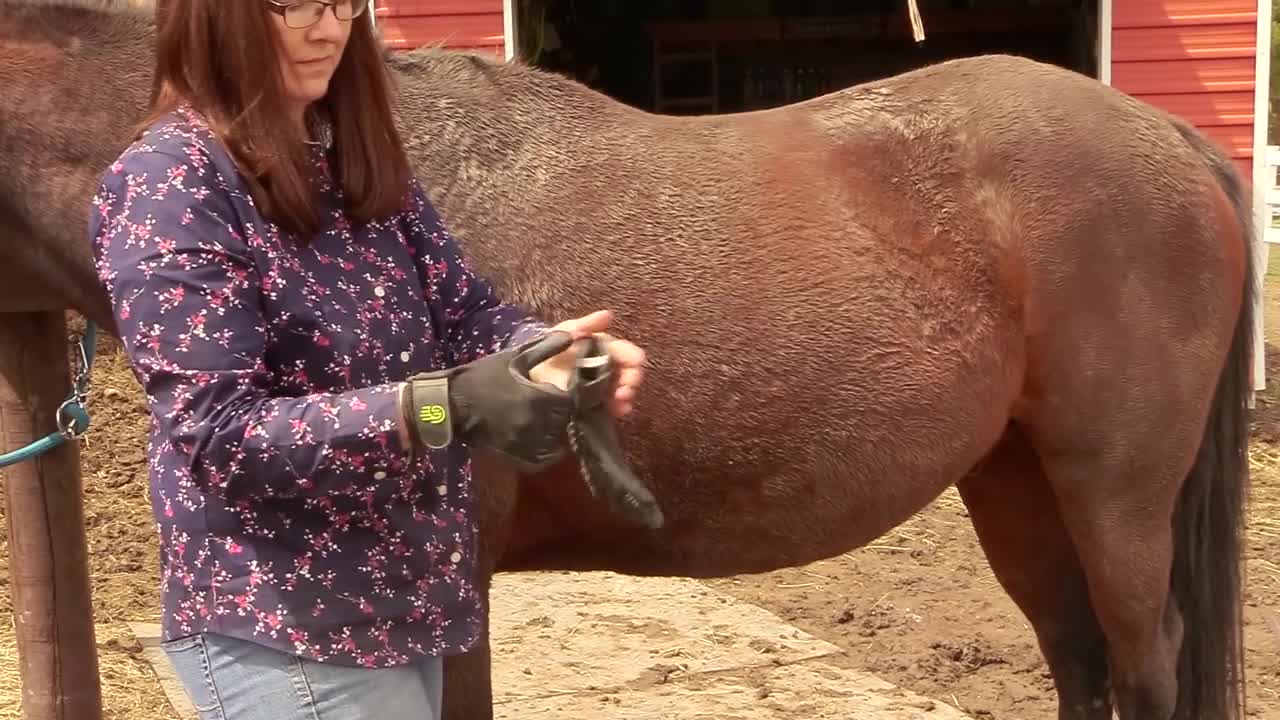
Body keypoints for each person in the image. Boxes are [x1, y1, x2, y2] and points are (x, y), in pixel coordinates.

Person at [87, 1, 647, 718]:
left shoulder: (345, 158)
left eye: (343, 1)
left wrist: (542, 355)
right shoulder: (171, 186)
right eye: (295, 4)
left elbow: (464, 311)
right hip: (285, 625)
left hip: (403, 603)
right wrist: (445, 404)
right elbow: (220, 432)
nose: (330, 28)